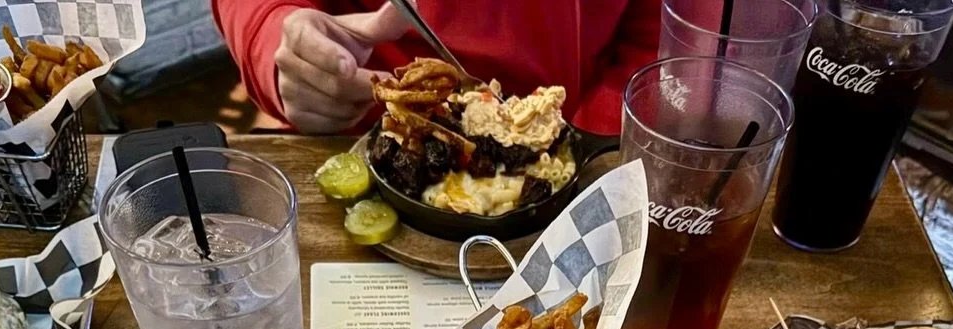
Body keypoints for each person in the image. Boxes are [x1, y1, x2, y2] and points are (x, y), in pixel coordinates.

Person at [211, 0, 660, 135]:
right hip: (352, 129)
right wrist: (276, 34)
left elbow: (663, 38)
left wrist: (589, 143)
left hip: (573, 143)